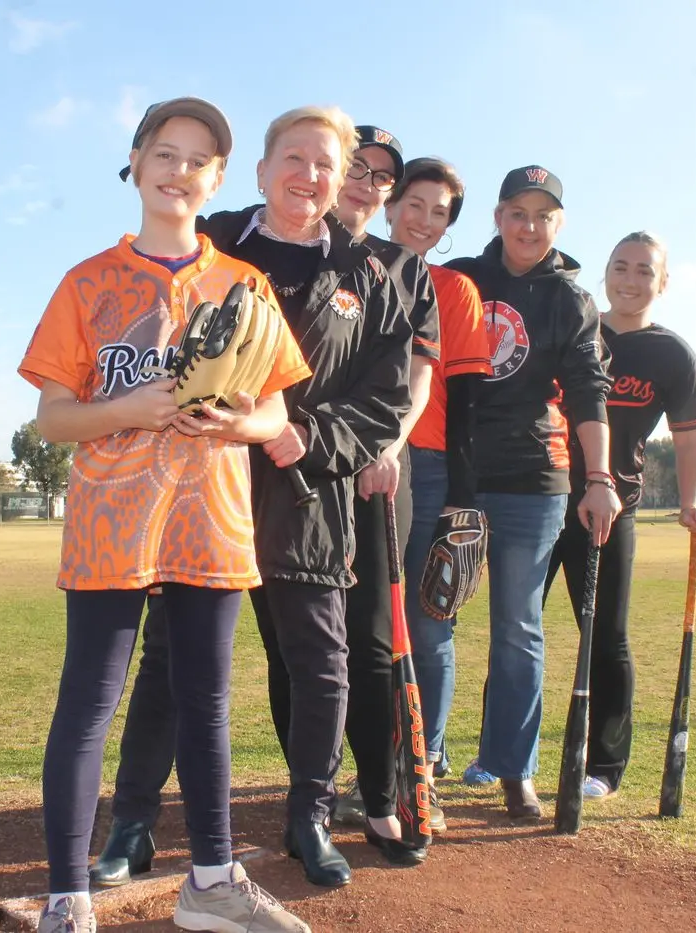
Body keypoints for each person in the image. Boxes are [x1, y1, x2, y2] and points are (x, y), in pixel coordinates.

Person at [91, 105, 413, 889]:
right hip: (200, 485)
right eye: (293, 159)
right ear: (263, 171)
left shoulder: (371, 274)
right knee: (171, 657)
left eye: (325, 166)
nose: (308, 176)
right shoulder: (213, 244)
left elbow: (386, 397)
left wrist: (307, 434)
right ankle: (132, 821)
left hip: (305, 489)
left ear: (342, 184)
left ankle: (309, 815)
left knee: (320, 662)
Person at [17, 97, 314, 933]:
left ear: (218, 178)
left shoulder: (243, 284)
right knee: (89, 702)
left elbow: (276, 417)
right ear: (136, 163)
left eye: (197, 159)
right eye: (164, 152)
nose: (179, 170)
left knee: (204, 699)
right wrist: (133, 405)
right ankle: (68, 896)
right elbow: (52, 416)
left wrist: (235, 421)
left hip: (209, 514)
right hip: (112, 513)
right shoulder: (87, 282)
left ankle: (211, 882)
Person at [442, 165, 620, 821]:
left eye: (542, 216)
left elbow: (587, 391)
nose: (528, 226)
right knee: (436, 618)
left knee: (517, 628)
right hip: (454, 472)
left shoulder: (568, 299)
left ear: (558, 225)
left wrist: (597, 478)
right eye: (518, 212)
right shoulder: (460, 279)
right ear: (497, 216)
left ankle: (513, 767)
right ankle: (419, 763)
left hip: (532, 479)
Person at [544, 230, 696, 800]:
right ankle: (501, 757)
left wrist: (692, 501)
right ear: (605, 274)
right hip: (542, 494)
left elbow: (691, 439)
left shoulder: (672, 353)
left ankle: (604, 766)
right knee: (517, 628)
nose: (630, 278)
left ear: (662, 283)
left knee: (607, 635)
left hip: (612, 510)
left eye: (644, 270)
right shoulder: (575, 328)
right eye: (621, 266)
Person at [322, 126, 441, 861]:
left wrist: (388, 447)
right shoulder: (281, 245)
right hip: (291, 468)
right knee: (298, 643)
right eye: (356, 169)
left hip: (375, 472)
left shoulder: (403, 268)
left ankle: (376, 793)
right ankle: (312, 789)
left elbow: (416, 378)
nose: (367, 185)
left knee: (368, 640)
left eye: (380, 178)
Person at [368, 156, 485, 827]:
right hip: (360, 460)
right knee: (366, 626)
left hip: (431, 461)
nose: (422, 218)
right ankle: (370, 767)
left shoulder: (454, 289)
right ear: (390, 205)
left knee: (429, 618)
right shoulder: (352, 267)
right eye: (413, 202)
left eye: (438, 211)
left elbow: (467, 399)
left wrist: (460, 499)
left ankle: (424, 761)